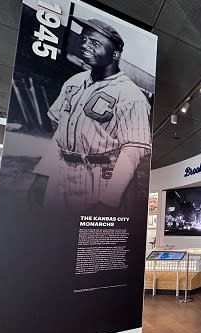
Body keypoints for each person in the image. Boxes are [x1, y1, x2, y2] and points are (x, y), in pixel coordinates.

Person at [32, 18, 152, 212]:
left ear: (115, 55)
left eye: (95, 43)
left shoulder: (131, 95)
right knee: (50, 233)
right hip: (60, 171)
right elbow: (60, 132)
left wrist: (109, 199)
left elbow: (132, 151)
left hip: (97, 176)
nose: (85, 45)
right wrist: (43, 173)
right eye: (84, 39)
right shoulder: (74, 82)